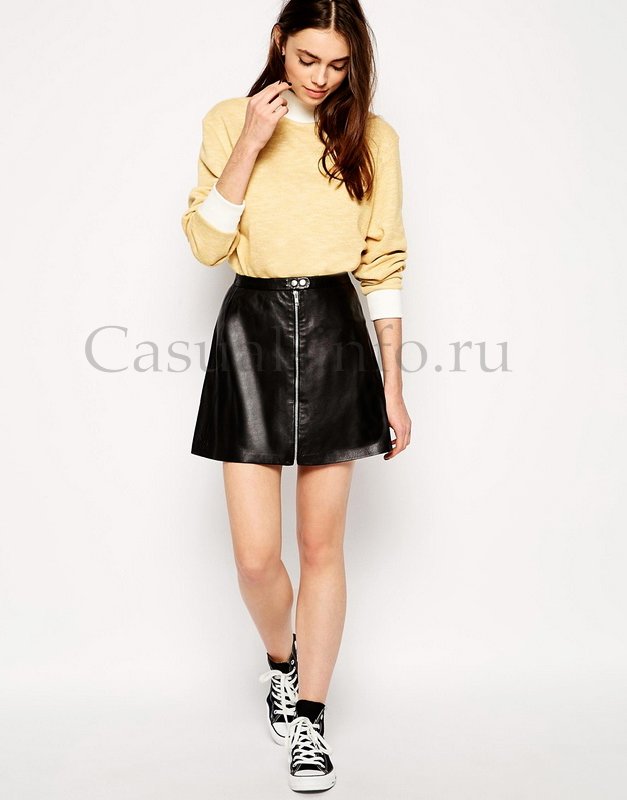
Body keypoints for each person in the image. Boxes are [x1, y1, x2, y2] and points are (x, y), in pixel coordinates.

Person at [181, 0, 411, 792]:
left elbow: (383, 264)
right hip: (250, 330)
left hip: (337, 332)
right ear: (279, 43)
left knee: (320, 547)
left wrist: (394, 388)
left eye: (337, 65)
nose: (320, 78)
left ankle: (309, 718)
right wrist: (251, 140)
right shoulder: (229, 120)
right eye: (307, 59)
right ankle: (282, 662)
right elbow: (205, 243)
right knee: (255, 558)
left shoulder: (372, 137)